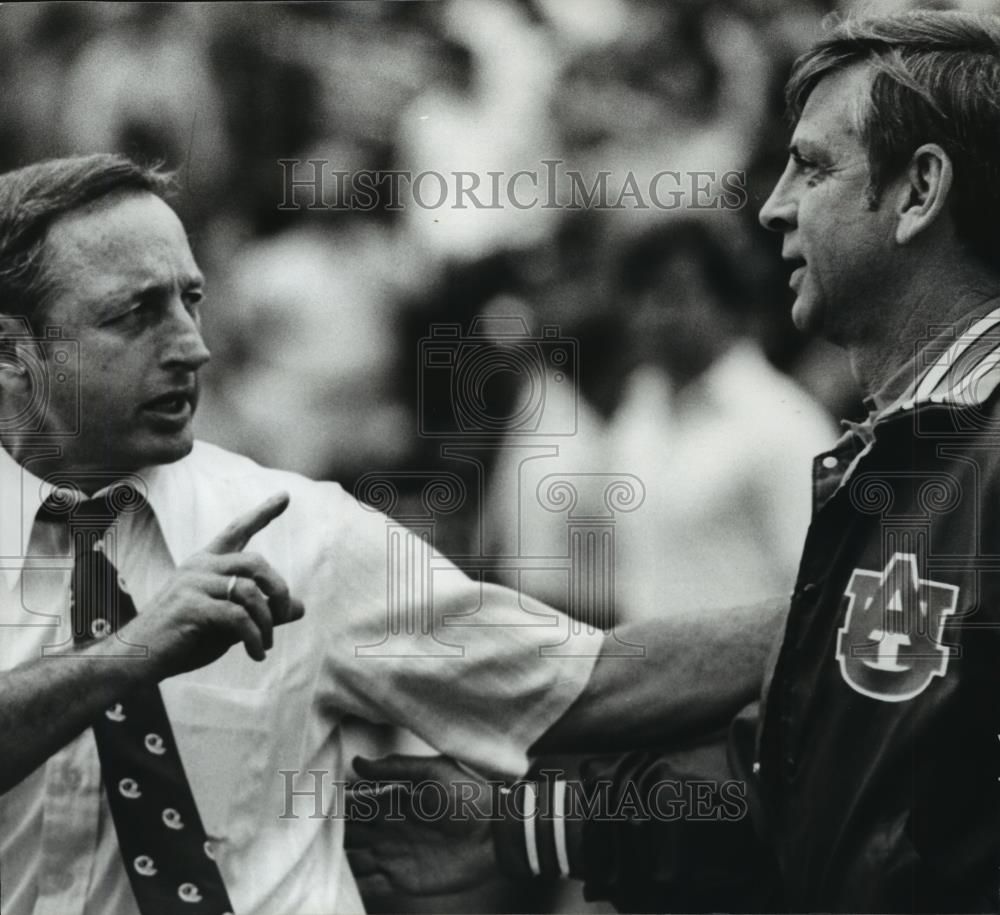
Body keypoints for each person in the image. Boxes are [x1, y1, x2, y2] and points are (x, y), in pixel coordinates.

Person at [0, 154, 780, 915]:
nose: (192, 345)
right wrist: (128, 655)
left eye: (191, 300)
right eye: (135, 313)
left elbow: (590, 678)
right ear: (12, 352)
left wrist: (833, 609)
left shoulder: (305, 533)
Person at [345, 10, 1000, 913]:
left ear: (921, 190)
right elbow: (822, 774)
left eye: (811, 166)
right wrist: (529, 827)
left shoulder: (921, 450)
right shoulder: (903, 451)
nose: (774, 204)